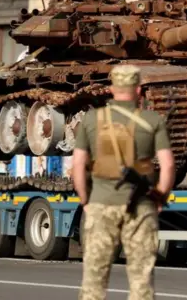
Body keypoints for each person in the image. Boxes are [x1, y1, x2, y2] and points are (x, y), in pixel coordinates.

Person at [72, 64, 176, 300]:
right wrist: (159, 197)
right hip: (141, 206)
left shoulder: (91, 119)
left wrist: (86, 201)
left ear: (111, 88)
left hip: (100, 205)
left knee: (94, 279)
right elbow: (168, 165)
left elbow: (77, 165)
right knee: (141, 280)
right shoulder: (152, 120)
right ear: (139, 90)